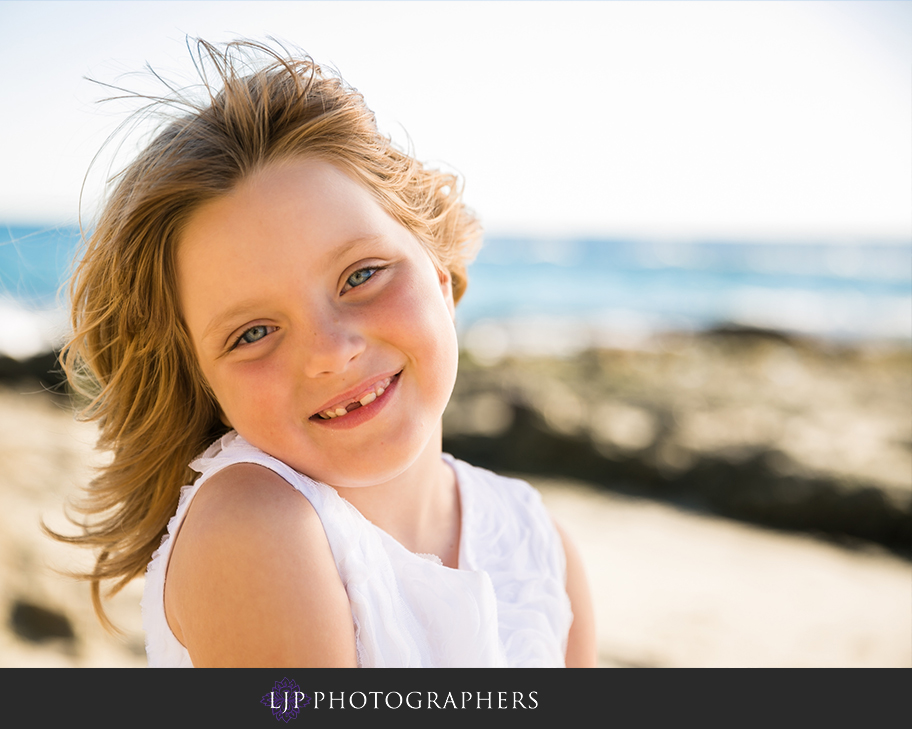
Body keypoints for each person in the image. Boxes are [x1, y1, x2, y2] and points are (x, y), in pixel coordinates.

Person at [54, 39, 595, 667]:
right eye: (253, 332)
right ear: (205, 383)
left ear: (440, 276)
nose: (331, 354)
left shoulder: (542, 546)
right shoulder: (254, 528)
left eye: (361, 275)